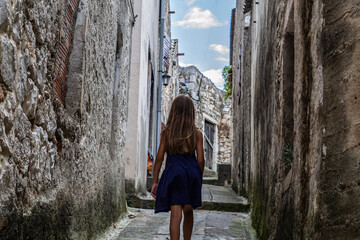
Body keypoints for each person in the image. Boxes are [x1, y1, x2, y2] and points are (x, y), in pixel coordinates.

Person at [151, 95, 204, 240]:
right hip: (192, 172)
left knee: (176, 213)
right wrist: (199, 177)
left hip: (174, 172)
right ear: (190, 112)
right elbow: (200, 160)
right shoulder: (197, 134)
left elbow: (160, 157)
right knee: (188, 210)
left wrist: (155, 181)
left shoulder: (167, 133)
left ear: (174, 111)